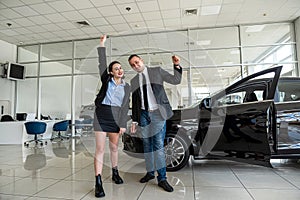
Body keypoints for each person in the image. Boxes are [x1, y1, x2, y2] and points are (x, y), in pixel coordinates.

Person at [128, 53, 182, 192]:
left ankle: (162, 178)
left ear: (142, 60)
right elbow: (135, 102)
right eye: (133, 65)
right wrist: (134, 120)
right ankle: (150, 173)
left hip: (158, 113)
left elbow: (176, 80)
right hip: (144, 115)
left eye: (137, 62)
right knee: (147, 145)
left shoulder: (156, 71)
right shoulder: (134, 81)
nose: (136, 65)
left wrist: (176, 65)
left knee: (157, 145)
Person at [93, 35, 130, 198]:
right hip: (102, 115)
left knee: (114, 148)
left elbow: (125, 106)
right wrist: (102, 44)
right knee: (100, 149)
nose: (119, 70)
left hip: (116, 117)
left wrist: (122, 124)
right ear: (110, 72)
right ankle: (98, 182)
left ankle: (115, 173)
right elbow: (102, 62)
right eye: (116, 68)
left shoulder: (126, 86)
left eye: (121, 68)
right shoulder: (106, 80)